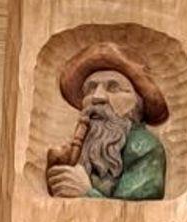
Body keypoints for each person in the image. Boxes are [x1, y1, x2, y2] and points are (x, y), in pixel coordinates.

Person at [45, 45, 169, 203]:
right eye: (90, 89)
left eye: (114, 87)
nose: (97, 97)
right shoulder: (83, 145)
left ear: (137, 103)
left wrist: (86, 193)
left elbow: (134, 212)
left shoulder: (144, 147)